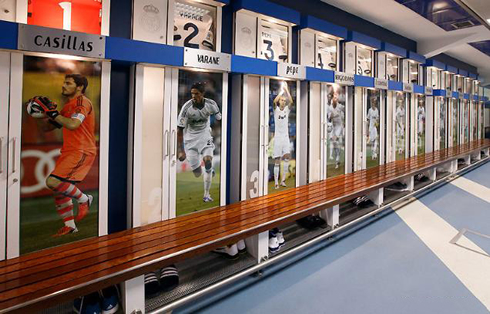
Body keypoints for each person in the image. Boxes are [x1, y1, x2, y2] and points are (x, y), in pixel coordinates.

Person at [32, 74, 96, 237]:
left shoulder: (83, 103)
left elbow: (73, 124)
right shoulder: (68, 106)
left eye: (68, 83)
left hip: (82, 150)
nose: (63, 85)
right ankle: (70, 226)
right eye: (64, 82)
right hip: (70, 150)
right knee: (60, 188)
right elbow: (47, 128)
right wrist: (40, 114)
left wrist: (53, 114)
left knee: (53, 181)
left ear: (79, 87)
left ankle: (84, 199)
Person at [177, 82, 221, 203]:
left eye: (196, 94)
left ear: (202, 94)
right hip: (190, 142)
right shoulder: (186, 108)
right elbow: (179, 129)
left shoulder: (211, 104)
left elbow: (219, 118)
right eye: (192, 94)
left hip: (205, 137)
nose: (193, 96)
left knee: (207, 162)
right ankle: (208, 171)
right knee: (197, 173)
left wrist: (216, 125)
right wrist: (180, 150)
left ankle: (206, 195)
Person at [272, 81, 293, 189]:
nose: (283, 102)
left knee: (286, 157)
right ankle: (276, 182)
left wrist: (286, 90)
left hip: (285, 137)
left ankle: (283, 180)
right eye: (282, 100)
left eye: (284, 100)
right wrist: (281, 92)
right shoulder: (276, 110)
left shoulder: (286, 110)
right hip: (278, 137)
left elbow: (291, 101)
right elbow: (274, 101)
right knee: (277, 159)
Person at [327, 86, 345, 169]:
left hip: (339, 126)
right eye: (334, 97)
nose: (335, 98)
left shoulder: (340, 106)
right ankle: (337, 158)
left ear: (337, 98)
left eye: (336, 97)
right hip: (333, 127)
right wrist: (331, 116)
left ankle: (337, 158)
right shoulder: (329, 107)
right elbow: (329, 119)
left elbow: (347, 111)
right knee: (334, 144)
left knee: (334, 140)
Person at [367, 94, 380, 160]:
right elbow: (368, 119)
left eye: (374, 102)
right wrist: (367, 129)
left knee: (376, 140)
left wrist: (377, 123)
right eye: (372, 102)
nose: (373, 104)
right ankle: (373, 155)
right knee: (372, 142)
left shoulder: (377, 110)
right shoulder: (369, 110)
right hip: (371, 128)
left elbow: (377, 118)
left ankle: (374, 153)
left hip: (375, 128)